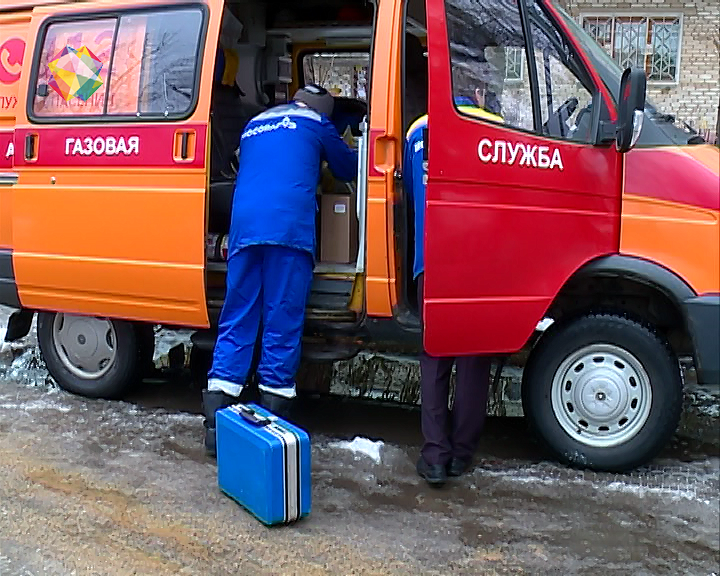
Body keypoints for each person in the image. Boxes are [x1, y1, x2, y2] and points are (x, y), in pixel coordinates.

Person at [202, 84, 358, 456]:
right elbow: (348, 167)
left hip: (244, 229)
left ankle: (216, 426)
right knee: (281, 317)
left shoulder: (255, 123)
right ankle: (271, 420)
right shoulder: (317, 123)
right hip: (288, 230)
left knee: (238, 315)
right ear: (323, 109)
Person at [404, 109, 492, 488]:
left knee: (435, 360)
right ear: (476, 93)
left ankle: (435, 456)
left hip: (431, 262)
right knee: (473, 360)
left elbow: (409, 195)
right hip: (476, 261)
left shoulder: (416, 133)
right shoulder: (490, 127)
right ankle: (461, 454)